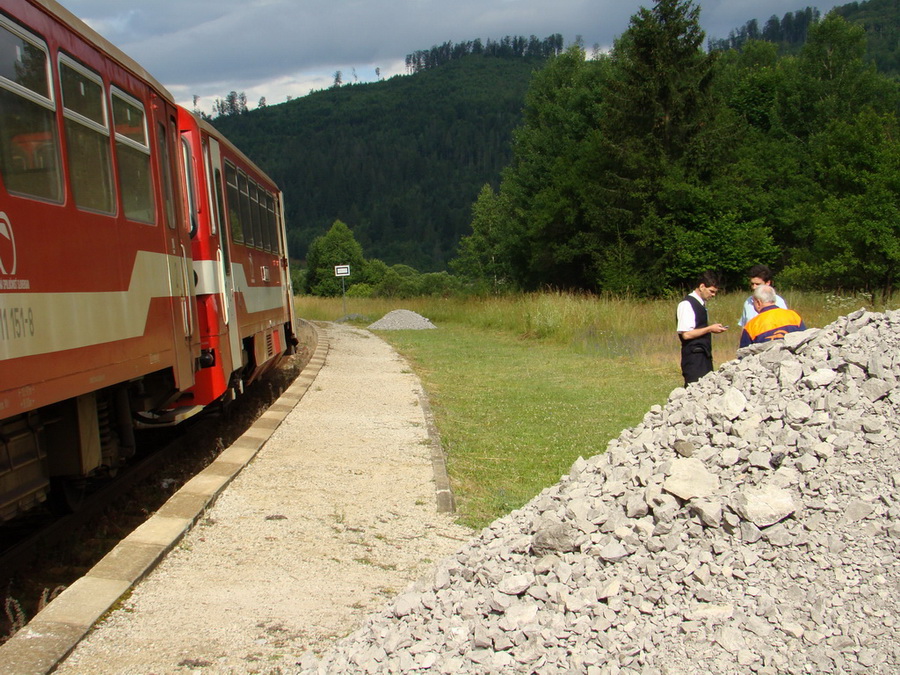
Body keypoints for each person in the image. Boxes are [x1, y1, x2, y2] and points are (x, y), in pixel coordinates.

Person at [676, 271, 728, 387]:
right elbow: (686, 334)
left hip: (703, 355)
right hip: (694, 358)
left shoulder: (700, 305)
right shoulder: (686, 304)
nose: (713, 295)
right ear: (702, 286)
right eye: (711, 291)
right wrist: (709, 329)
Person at [739, 284, 806, 347]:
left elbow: (744, 353)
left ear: (758, 302)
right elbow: (805, 340)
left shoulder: (752, 326)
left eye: (754, 302)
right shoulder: (793, 315)